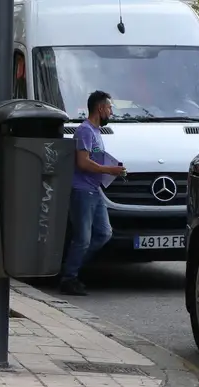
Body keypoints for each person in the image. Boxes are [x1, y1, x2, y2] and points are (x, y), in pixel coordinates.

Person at [60, 90, 120, 296]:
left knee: (104, 233)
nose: (111, 112)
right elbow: (83, 162)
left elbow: (96, 158)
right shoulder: (85, 131)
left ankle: (73, 268)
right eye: (110, 108)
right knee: (83, 238)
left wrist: (112, 167)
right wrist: (109, 170)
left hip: (95, 190)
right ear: (100, 108)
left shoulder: (96, 132)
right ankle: (69, 277)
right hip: (82, 191)